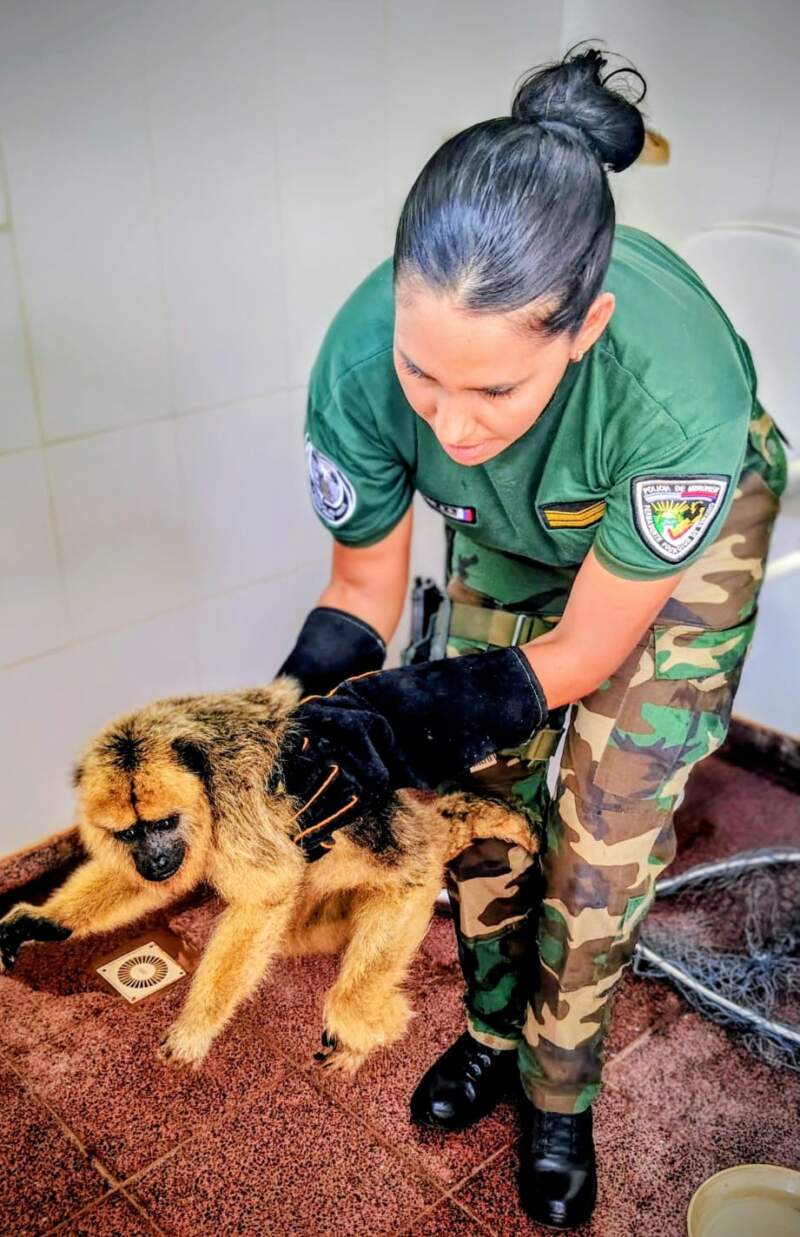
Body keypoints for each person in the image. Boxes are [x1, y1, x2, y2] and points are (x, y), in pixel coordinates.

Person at [273, 44, 788, 1230]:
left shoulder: (675, 403)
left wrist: (416, 706)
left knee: (601, 831)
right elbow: (359, 583)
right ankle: (493, 1032)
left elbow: (578, 658)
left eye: (491, 391)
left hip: (669, 536)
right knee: (473, 790)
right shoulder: (360, 367)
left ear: (583, 326)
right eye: (422, 375)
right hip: (519, 521)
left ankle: (558, 1096)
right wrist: (295, 712)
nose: (447, 424)